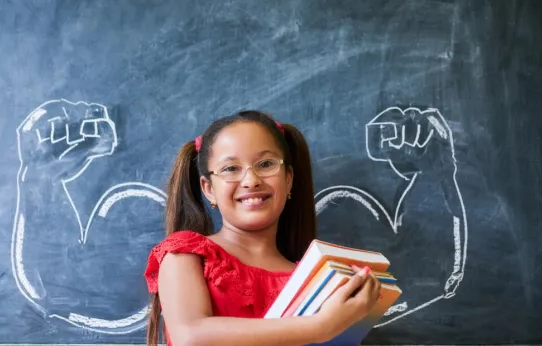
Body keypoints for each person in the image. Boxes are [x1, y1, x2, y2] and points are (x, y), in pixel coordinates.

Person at [143, 110, 382, 346]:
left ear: (288, 179)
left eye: (266, 164)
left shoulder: (314, 280)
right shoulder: (185, 254)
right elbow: (190, 336)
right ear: (208, 189)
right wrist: (321, 327)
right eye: (230, 168)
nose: (251, 180)